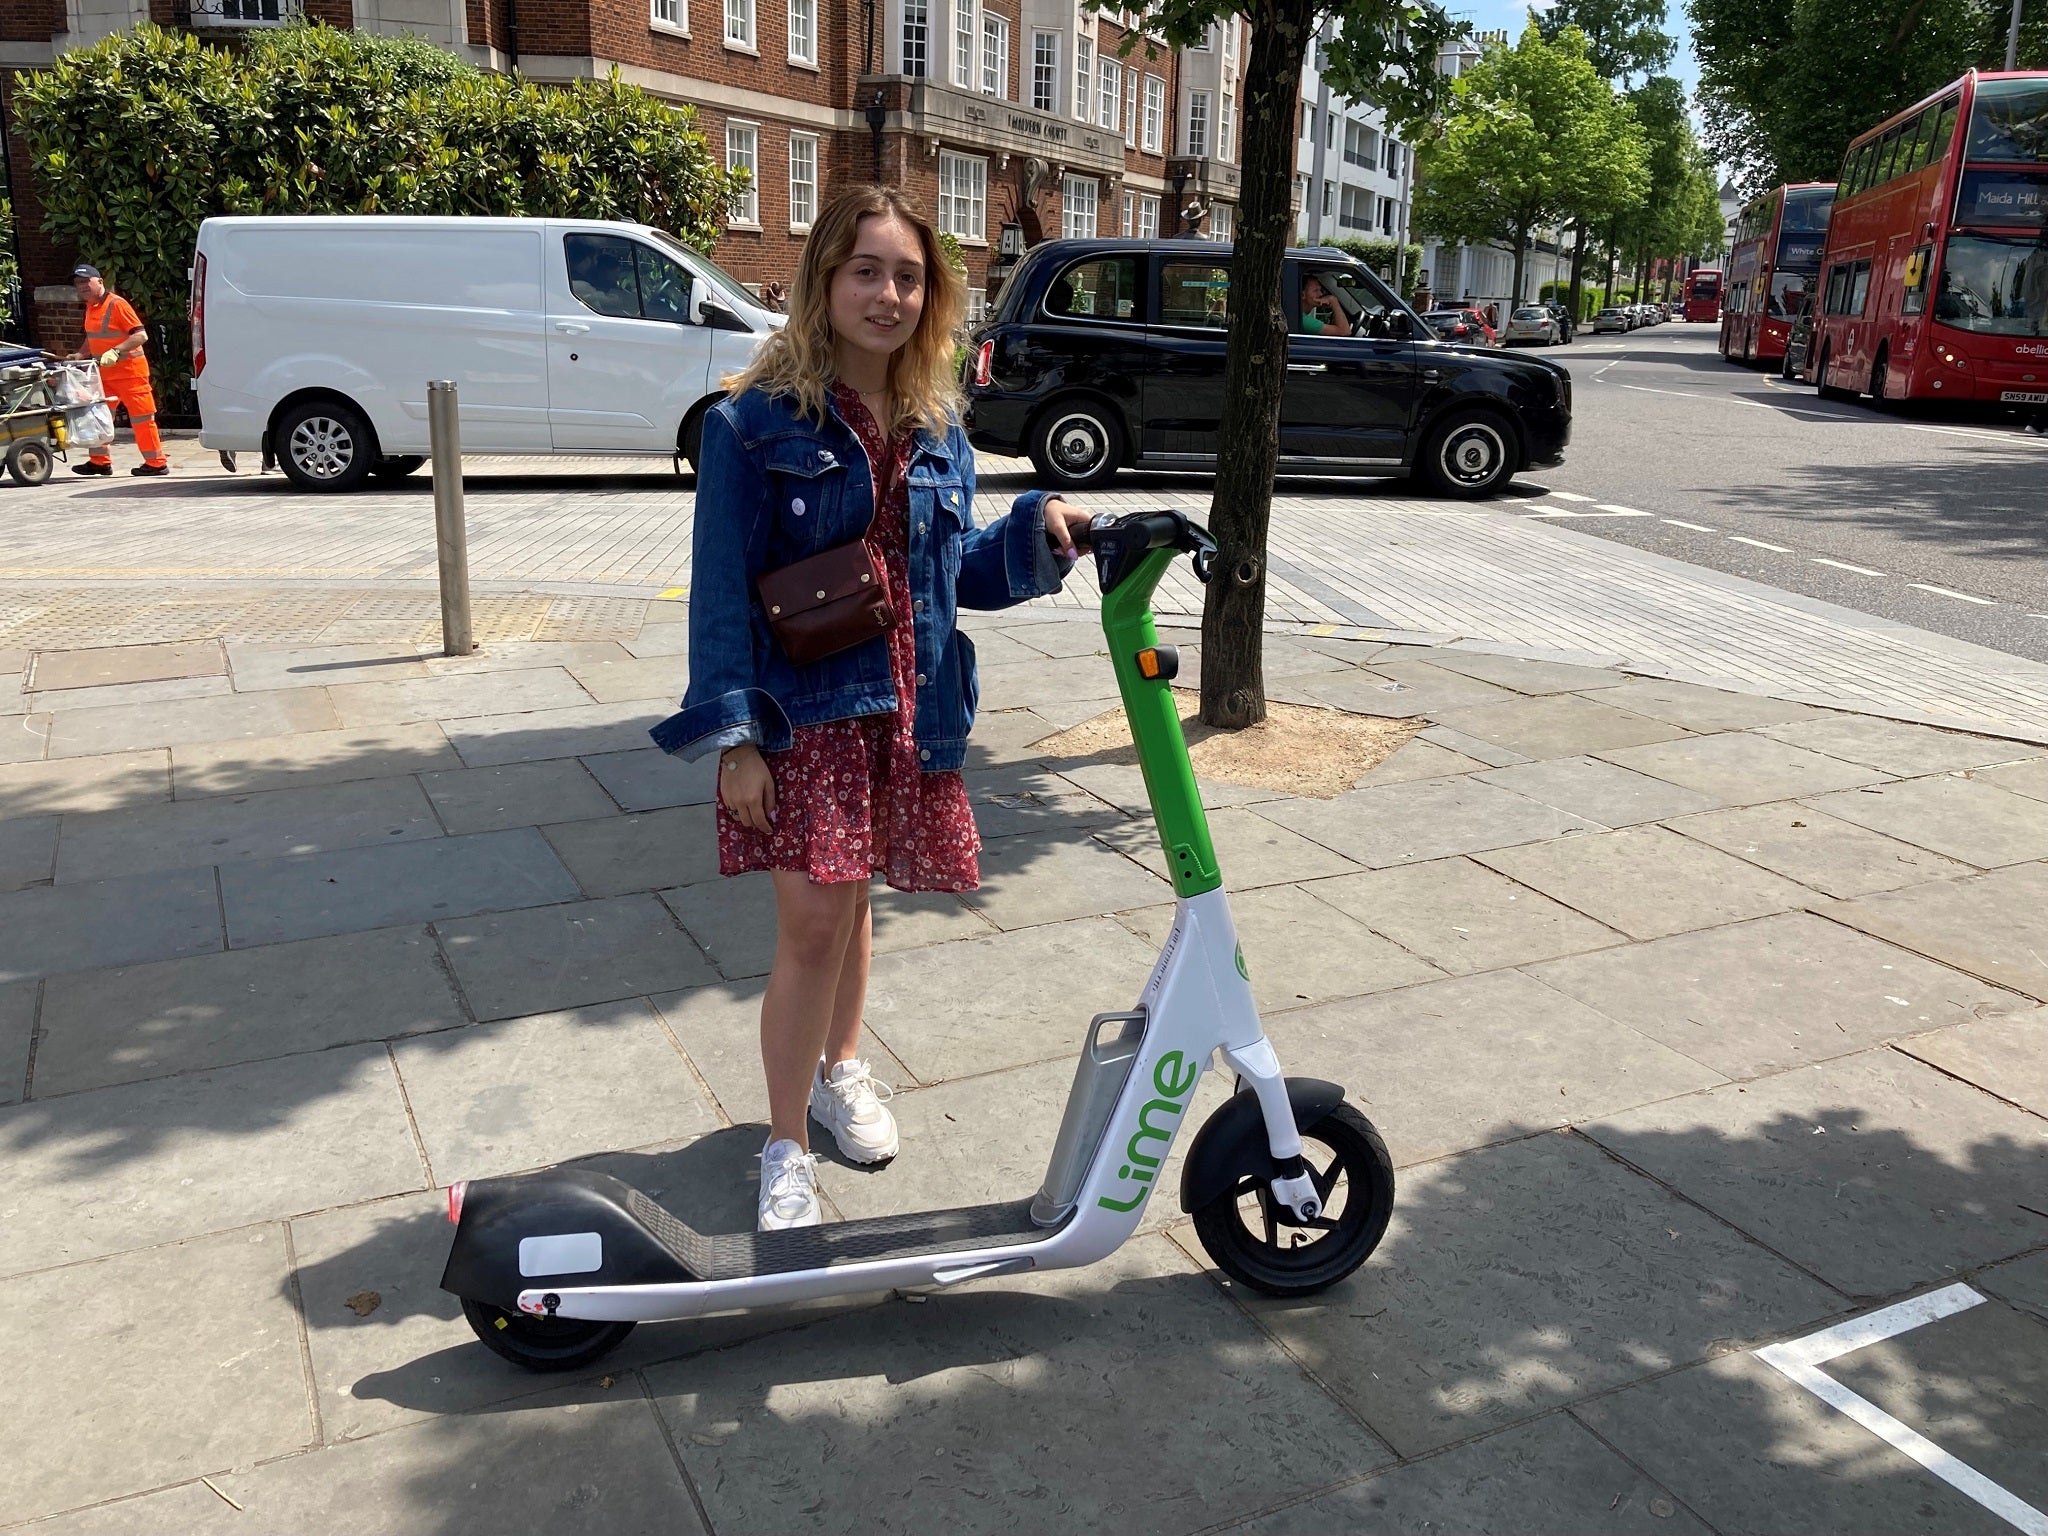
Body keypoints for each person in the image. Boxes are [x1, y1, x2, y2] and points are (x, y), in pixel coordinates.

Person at [651, 185, 1088, 1231]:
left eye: (906, 275)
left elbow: (952, 574)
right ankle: (784, 1145)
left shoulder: (938, 424)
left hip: (908, 704)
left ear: (929, 293)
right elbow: (720, 592)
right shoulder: (751, 423)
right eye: (865, 271)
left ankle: (841, 1067)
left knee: (852, 906)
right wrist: (735, 739)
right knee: (809, 919)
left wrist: (1042, 532)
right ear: (823, 282)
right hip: (804, 710)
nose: (886, 294)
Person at [68, 265, 168, 477]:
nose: (82, 286)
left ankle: (157, 464)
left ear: (100, 282)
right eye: (78, 283)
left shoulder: (117, 305)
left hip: (131, 374)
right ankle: (99, 462)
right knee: (99, 418)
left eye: (87, 281)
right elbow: (94, 336)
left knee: (142, 419)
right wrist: (80, 354)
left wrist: (115, 351)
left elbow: (140, 336)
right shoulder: (91, 306)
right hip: (106, 375)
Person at [1298, 273, 1353, 337]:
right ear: (1302, 295)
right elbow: (1345, 332)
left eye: (1320, 290)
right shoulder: (1304, 321)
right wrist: (1333, 301)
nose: (1321, 294)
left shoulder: (1300, 317)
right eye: (1316, 290)